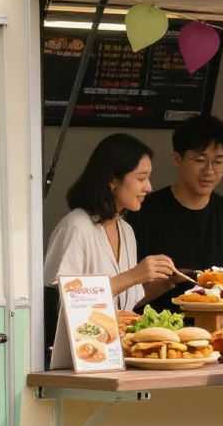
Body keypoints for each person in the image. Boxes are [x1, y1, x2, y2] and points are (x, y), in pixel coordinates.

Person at [42, 134, 176, 368]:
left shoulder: (126, 230)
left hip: (118, 356)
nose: (149, 187)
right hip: (80, 361)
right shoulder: (75, 227)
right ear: (112, 180)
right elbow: (66, 301)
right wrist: (135, 275)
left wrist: (162, 283)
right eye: (141, 178)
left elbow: (125, 305)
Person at [133, 115, 223, 311]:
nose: (209, 171)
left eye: (219, 162)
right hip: (158, 325)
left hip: (220, 327)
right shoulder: (144, 210)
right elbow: (130, 292)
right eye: (200, 160)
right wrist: (170, 281)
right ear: (178, 159)